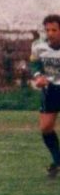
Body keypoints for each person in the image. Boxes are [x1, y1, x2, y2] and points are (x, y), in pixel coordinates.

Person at [30, 15, 60, 178]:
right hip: (50, 90)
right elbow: (34, 63)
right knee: (46, 128)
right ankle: (57, 161)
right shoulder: (38, 45)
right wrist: (38, 76)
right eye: (47, 30)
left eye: (54, 30)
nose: (50, 33)